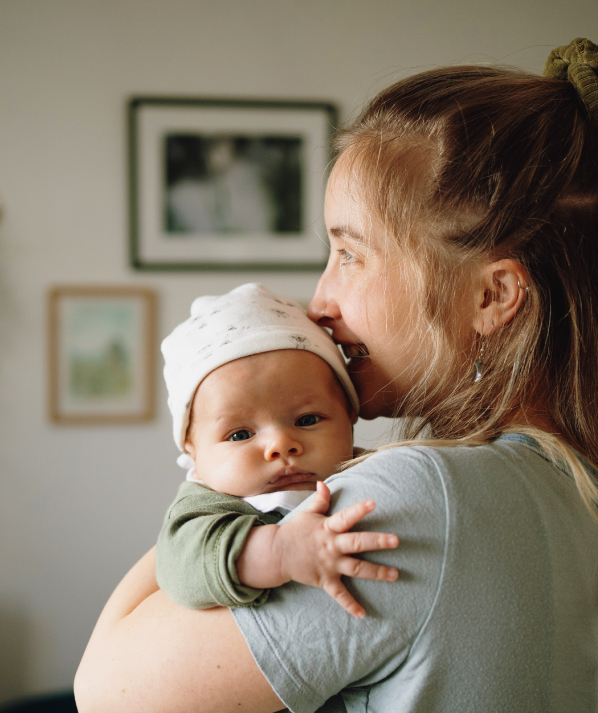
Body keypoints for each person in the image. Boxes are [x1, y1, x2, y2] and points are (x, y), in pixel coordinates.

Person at [75, 38, 598, 713]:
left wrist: (208, 481)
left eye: (350, 253)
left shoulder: (425, 499)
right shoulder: (571, 484)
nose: (321, 299)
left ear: (492, 296)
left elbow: (105, 691)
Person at [156, 282, 397, 617]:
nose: (281, 445)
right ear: (192, 449)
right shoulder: (206, 507)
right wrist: (281, 552)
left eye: (308, 419)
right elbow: (178, 569)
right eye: (240, 435)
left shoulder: (376, 472)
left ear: (349, 414)